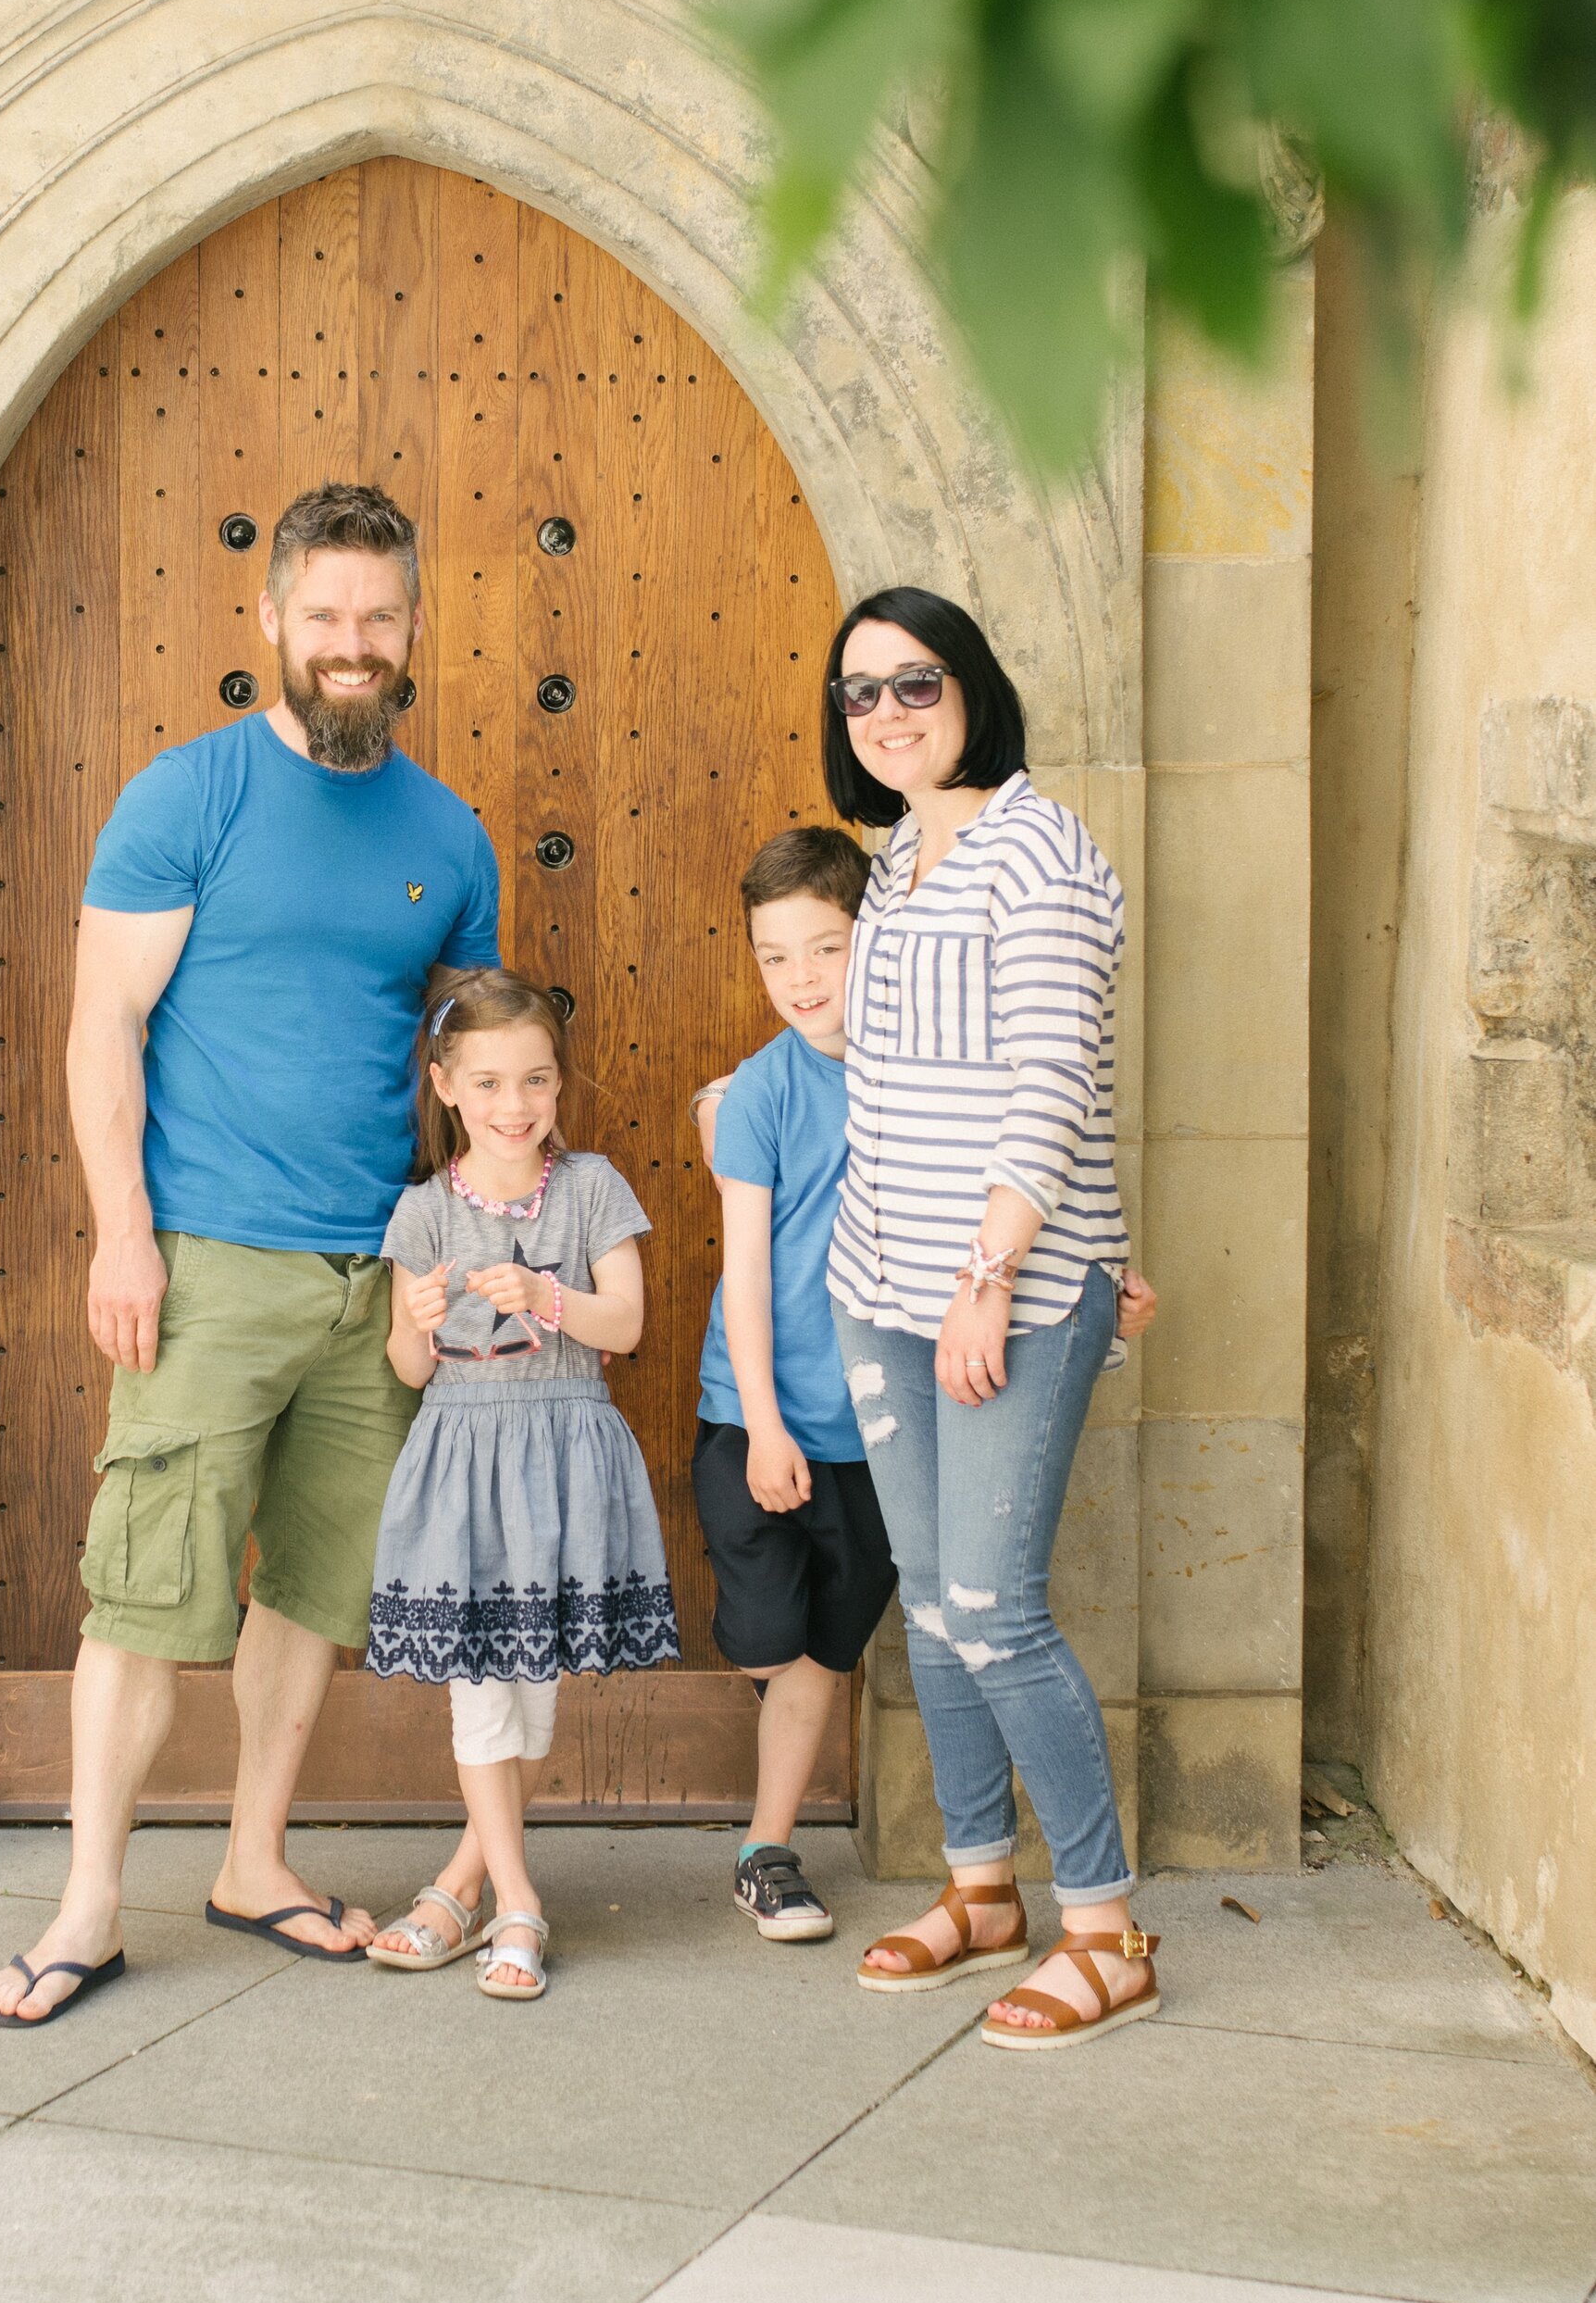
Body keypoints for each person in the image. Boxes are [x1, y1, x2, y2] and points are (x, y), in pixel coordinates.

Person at [0, 482, 500, 2028]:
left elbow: (467, 1076)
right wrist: (123, 1240)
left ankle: (255, 1860)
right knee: (145, 1593)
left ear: (413, 632)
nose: (351, 643)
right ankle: (86, 1908)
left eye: (378, 619)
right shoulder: (186, 797)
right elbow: (102, 1030)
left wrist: (446, 1262)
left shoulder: (449, 832)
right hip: (209, 1264)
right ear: (270, 618)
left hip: (374, 1282)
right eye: (323, 615)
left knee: (314, 1597)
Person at [822, 584, 1165, 2050]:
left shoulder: (1044, 853)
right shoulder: (896, 860)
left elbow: (1046, 1083)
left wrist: (995, 1281)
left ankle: (1106, 1924)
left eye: (917, 683)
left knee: (997, 1608)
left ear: (974, 689)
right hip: (879, 1283)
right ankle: (981, 1889)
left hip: (998, 1292)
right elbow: (897, 1074)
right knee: (935, 1601)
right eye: (860, 694)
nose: (889, 712)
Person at [362, 969, 679, 2001]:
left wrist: (547, 1292)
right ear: (446, 1085)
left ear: (557, 1085)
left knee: (528, 1699)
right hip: (462, 1457)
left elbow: (624, 1327)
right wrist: (413, 1321)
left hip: (562, 1447)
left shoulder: (591, 1189)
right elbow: (411, 1373)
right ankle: (517, 1908)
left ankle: (460, 1886)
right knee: (479, 1701)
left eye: (535, 1082)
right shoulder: (419, 1212)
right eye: (490, 1083)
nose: (514, 1106)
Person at [687, 825, 895, 1947]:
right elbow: (748, 1271)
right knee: (770, 1641)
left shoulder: (919, 1072)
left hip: (883, 1431)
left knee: (826, 1652)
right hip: (759, 1419)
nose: (802, 981)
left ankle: (765, 1853)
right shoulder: (761, 1092)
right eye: (777, 958)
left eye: (827, 948)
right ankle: (773, 1796)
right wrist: (765, 1427)